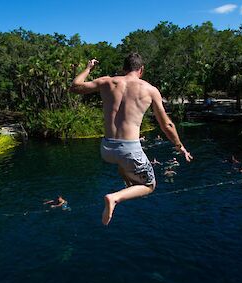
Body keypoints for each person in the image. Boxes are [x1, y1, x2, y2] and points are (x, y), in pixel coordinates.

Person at [70, 53, 193, 225]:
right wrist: (180, 146)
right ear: (141, 69)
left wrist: (89, 68)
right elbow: (167, 126)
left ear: (123, 69)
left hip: (106, 149)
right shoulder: (149, 90)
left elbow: (75, 87)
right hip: (129, 150)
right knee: (149, 186)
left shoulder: (107, 81)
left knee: (124, 166)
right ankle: (115, 198)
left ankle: (128, 185)